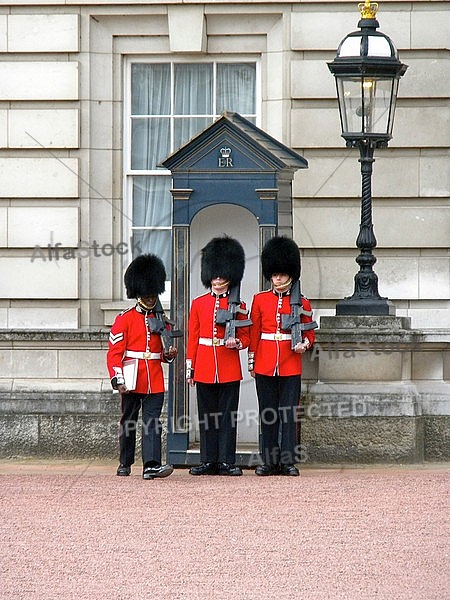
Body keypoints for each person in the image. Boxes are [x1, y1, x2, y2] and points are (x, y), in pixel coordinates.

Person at [248, 236, 317, 476]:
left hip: (290, 363)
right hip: (265, 363)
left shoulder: (302, 301)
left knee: (289, 414)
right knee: (268, 413)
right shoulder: (260, 299)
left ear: (290, 274)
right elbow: (255, 332)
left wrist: (304, 345)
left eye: (281, 274)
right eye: (274, 274)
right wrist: (252, 360)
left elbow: (310, 332)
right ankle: (269, 460)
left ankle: (288, 460)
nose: (277, 278)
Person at [107, 253, 178, 480]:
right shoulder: (124, 319)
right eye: (146, 295)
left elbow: (162, 352)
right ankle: (125, 461)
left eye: (152, 295)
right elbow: (115, 352)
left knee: (152, 421)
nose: (150, 299)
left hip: (154, 378)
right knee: (129, 420)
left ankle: (151, 465)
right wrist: (118, 378)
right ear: (138, 294)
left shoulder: (162, 319)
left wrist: (169, 355)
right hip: (131, 376)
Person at [186, 236, 251, 476]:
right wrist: (190, 368)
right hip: (203, 365)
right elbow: (193, 337)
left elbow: (247, 335)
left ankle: (226, 460)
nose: (218, 280)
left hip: (228, 365)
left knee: (227, 416)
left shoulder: (239, 304)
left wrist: (237, 343)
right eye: (214, 276)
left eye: (222, 276)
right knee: (207, 416)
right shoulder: (199, 303)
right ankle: (208, 460)